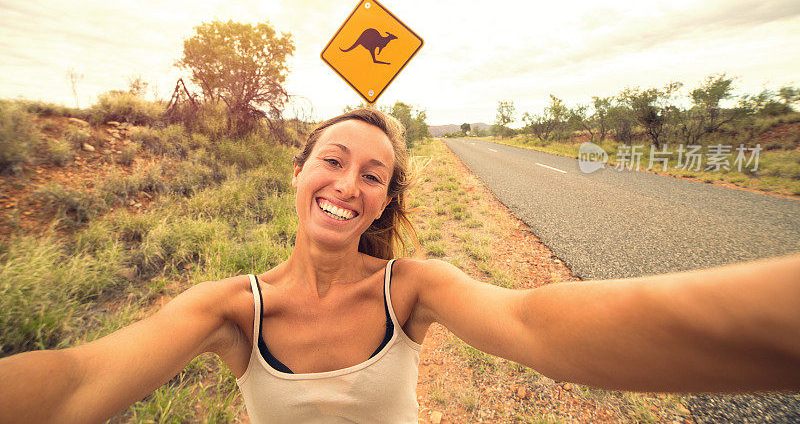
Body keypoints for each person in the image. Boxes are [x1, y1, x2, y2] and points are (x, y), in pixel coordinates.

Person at [0, 107, 799, 423]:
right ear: (299, 171)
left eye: (373, 175)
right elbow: (75, 381)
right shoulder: (231, 310)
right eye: (334, 161)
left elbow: (536, 323)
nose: (349, 183)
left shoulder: (412, 288)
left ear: (384, 203)